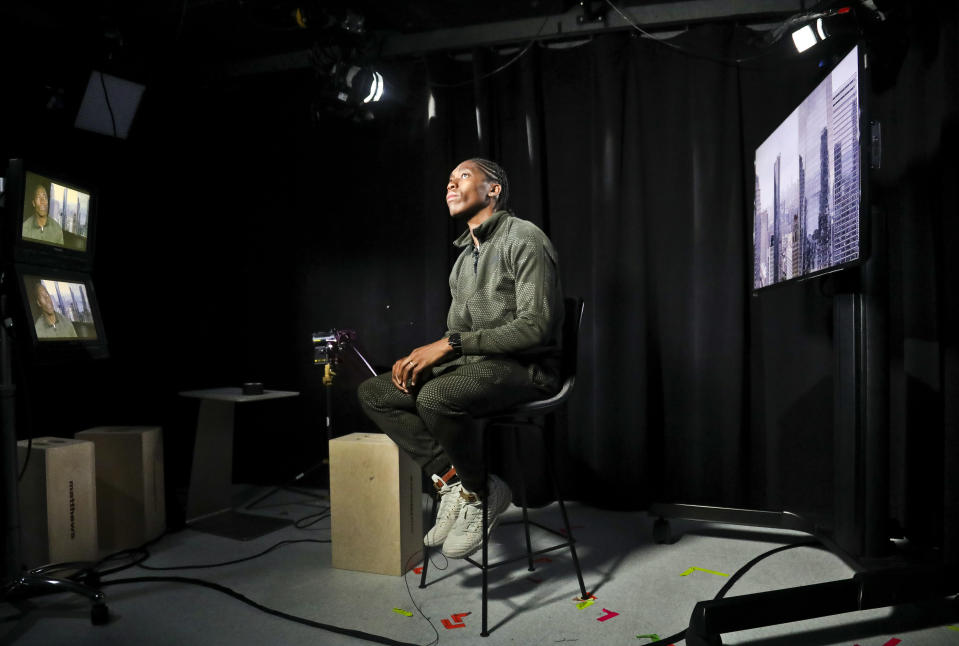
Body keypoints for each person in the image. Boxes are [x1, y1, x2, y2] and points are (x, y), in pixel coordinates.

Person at [357, 158, 564, 559]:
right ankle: (457, 482)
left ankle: (480, 493)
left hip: (528, 368)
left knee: (436, 397)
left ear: (494, 189)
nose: (450, 185)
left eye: (463, 177)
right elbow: (463, 336)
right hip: (480, 367)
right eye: (448, 180)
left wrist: (447, 346)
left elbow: (535, 327)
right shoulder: (462, 259)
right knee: (377, 392)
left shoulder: (524, 238)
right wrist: (428, 356)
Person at [22, 180, 64, 245]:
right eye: (38, 197)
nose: (42, 201)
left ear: (48, 202)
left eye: (45, 197)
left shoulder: (57, 229)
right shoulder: (24, 228)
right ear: (33, 203)